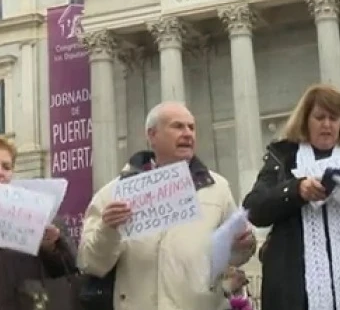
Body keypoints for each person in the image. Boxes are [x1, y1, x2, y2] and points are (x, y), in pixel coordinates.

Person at [77, 102, 257, 310]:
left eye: (191, 127)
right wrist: (108, 230)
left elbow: (233, 258)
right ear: (152, 135)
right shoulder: (113, 194)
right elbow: (91, 263)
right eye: (178, 126)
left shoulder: (218, 188)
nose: (188, 133)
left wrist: (243, 246)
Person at [243, 84, 340, 310]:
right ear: (306, 120)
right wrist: (296, 190)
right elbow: (254, 208)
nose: (327, 124)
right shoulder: (283, 156)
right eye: (319, 117)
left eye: (334, 118)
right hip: (294, 291)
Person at [0, 137, 78, 310]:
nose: (1, 173)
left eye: (6, 167)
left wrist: (51, 247)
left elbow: (69, 268)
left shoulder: (42, 212)